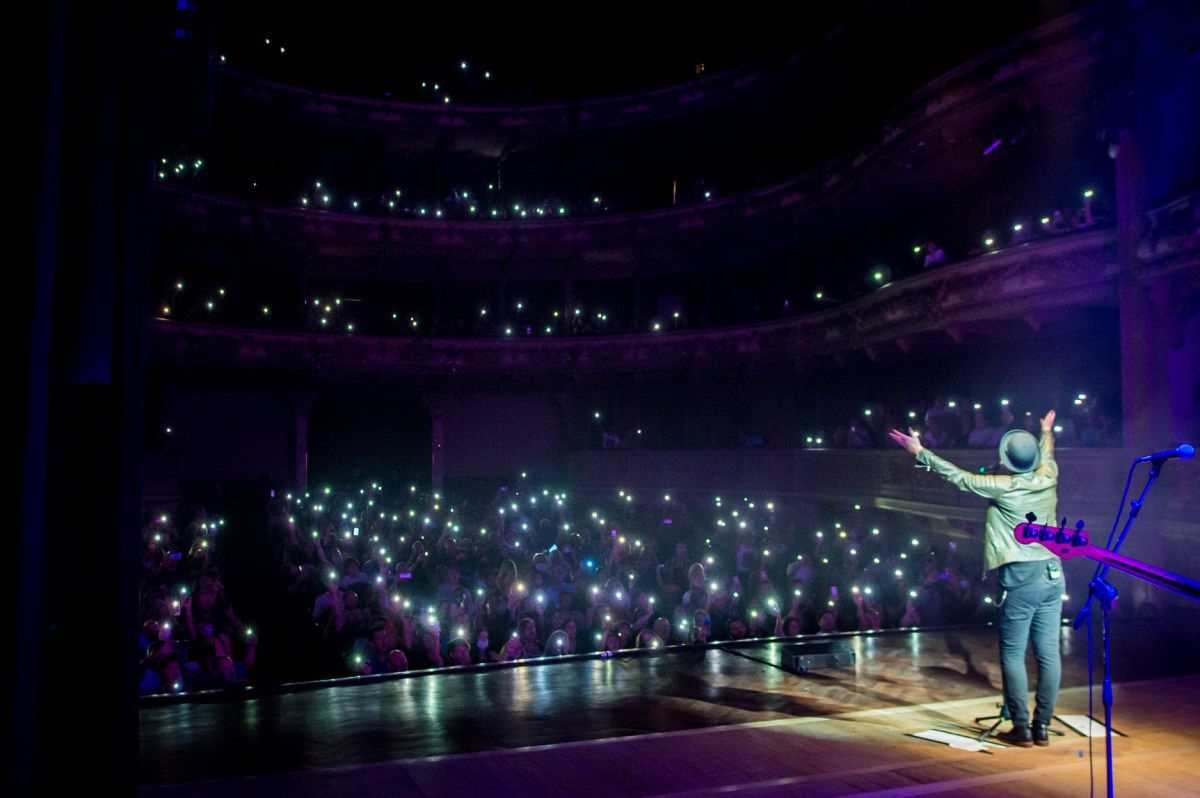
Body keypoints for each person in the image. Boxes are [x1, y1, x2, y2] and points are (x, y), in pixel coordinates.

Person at [889, 410, 1061, 748]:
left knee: (1012, 654)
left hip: (1021, 576)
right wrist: (1046, 433)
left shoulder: (1003, 486)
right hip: (1053, 574)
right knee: (1049, 653)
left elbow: (959, 477)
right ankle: (1041, 728)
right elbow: (1049, 455)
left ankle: (1022, 729)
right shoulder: (1049, 475)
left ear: (1007, 460)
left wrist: (921, 452)